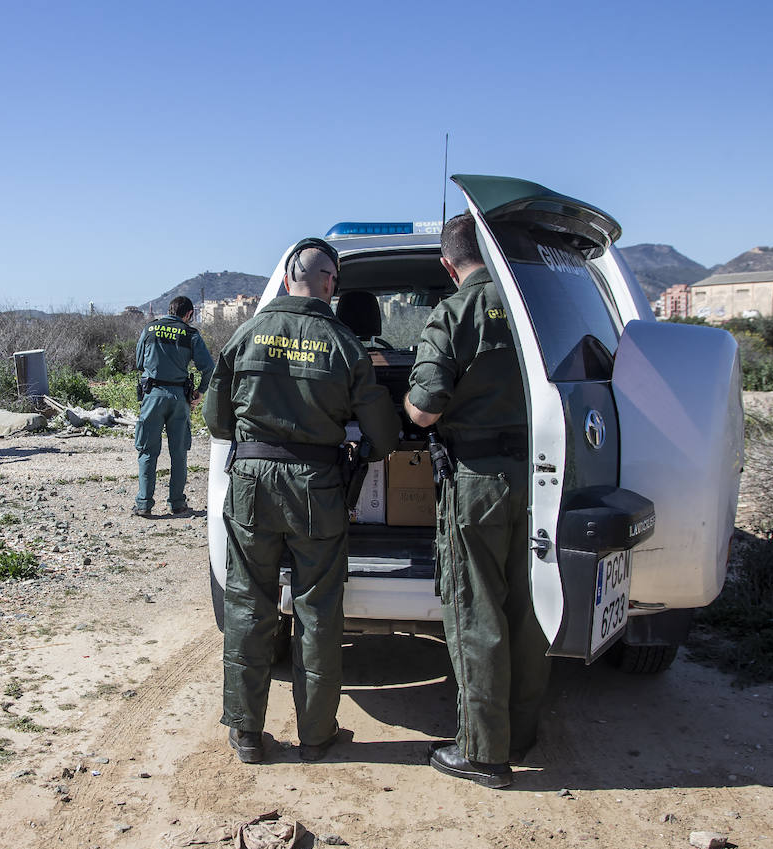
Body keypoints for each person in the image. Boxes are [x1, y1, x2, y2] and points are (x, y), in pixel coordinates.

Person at [205, 239, 399, 764]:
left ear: (290, 277)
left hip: (251, 484)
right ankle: (316, 736)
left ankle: (246, 734)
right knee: (318, 611)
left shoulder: (244, 334)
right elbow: (382, 434)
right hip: (315, 489)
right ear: (330, 281)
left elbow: (217, 421)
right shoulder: (343, 343)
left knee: (249, 605)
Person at [404, 212, 549, 789]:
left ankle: (484, 753)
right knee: (527, 606)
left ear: (447, 263)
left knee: (476, 609)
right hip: (542, 474)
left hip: (479, 479)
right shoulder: (533, 305)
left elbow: (424, 408)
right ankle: (521, 728)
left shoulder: (455, 312)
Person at [132, 295, 214, 518]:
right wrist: (200, 392)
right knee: (179, 452)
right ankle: (177, 503)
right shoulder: (190, 334)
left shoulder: (149, 329)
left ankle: (144, 504)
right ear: (189, 314)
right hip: (179, 398)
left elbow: (139, 362)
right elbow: (208, 368)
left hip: (152, 396)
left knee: (148, 450)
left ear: (169, 309)